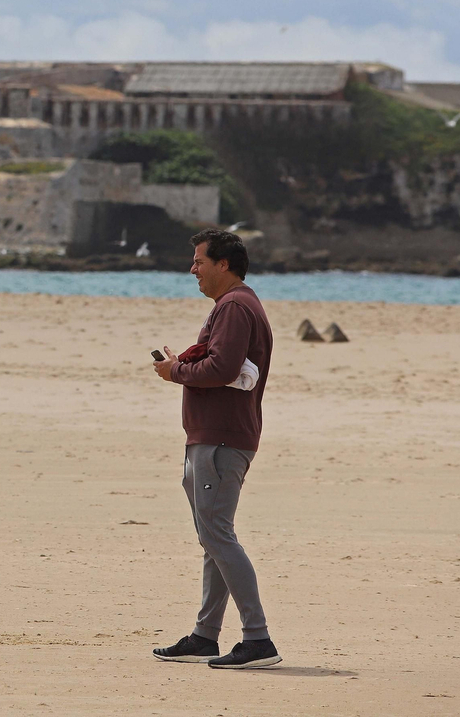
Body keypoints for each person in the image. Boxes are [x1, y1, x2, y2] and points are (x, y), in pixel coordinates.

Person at [150, 230, 282, 669]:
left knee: (217, 536)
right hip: (215, 436)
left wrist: (176, 372)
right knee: (213, 538)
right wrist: (183, 365)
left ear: (223, 264)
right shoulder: (236, 304)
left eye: (199, 261)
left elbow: (223, 368)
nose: (193, 269)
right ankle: (205, 636)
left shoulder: (235, 306)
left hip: (221, 439)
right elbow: (223, 363)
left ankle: (258, 638)